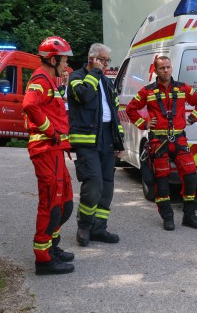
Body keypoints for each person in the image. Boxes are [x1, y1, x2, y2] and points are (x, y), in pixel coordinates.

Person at [125, 56, 197, 231]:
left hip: (179, 138)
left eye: (168, 67)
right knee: (161, 180)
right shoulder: (147, 91)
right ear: (156, 70)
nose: (166, 70)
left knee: (190, 175)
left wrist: (194, 117)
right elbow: (130, 109)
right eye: (162, 68)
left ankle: (189, 215)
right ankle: (167, 216)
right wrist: (144, 123)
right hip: (158, 141)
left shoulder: (183, 88)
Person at [22, 36, 75, 275]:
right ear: (53, 59)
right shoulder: (40, 80)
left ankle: (52, 246)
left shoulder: (50, 81)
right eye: (64, 60)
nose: (66, 64)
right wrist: (51, 131)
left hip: (56, 150)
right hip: (46, 149)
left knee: (65, 205)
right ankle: (43, 259)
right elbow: (29, 106)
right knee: (51, 205)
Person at [67, 43, 125, 247]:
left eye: (108, 60)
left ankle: (99, 228)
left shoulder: (108, 83)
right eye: (103, 59)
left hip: (107, 140)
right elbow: (84, 96)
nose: (107, 63)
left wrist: (119, 140)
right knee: (94, 184)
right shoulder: (77, 77)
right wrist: (96, 73)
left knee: (107, 187)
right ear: (92, 58)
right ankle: (84, 226)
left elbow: (115, 114)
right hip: (87, 141)